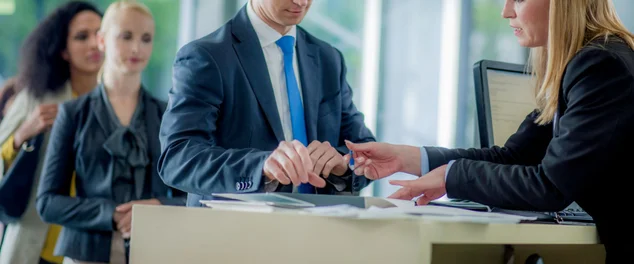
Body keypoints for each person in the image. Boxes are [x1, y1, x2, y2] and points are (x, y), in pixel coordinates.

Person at [347, 0, 634, 261]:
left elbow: (551, 186)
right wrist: (408, 158)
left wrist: (451, 177)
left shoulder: (601, 65)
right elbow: (515, 155)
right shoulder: (588, 61)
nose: (506, 11)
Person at [159, 0, 375, 206]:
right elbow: (177, 159)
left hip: (316, 233)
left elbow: (366, 153)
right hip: (233, 234)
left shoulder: (329, 58)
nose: (301, 2)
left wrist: (342, 163)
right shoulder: (206, 56)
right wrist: (260, 166)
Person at [36, 1, 186, 264]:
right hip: (85, 254)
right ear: (102, 40)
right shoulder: (72, 114)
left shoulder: (167, 115)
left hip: (155, 251)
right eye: (126, 36)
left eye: (146, 38)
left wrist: (159, 206)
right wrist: (111, 214)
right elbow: (47, 202)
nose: (137, 48)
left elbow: (191, 194)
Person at [0, 2, 103, 263]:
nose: (94, 43)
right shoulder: (37, 98)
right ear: (64, 50)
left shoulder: (119, 105)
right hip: (36, 242)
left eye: (100, 34)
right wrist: (23, 134)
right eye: (82, 36)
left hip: (91, 246)